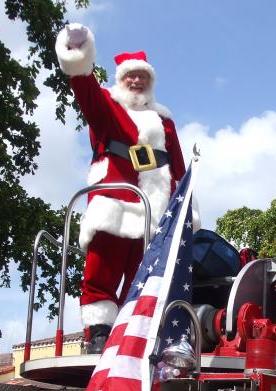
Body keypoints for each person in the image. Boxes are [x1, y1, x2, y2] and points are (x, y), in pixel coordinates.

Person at [55, 23, 200, 352]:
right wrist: (78, 53)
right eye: (130, 76)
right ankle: (98, 333)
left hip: (155, 214)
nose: (137, 81)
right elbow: (84, 86)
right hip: (115, 204)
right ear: (121, 80)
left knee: (143, 279)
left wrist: (188, 214)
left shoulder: (165, 122)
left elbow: (177, 167)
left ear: (151, 83)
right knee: (101, 273)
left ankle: (130, 334)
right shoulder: (108, 107)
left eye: (143, 77)